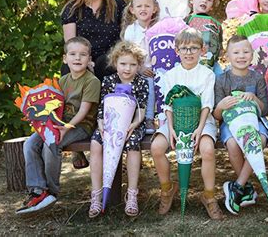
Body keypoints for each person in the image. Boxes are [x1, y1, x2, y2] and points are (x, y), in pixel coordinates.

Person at [17, 37, 101, 215]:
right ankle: (37, 189)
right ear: (65, 58)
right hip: (58, 124)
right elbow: (54, 107)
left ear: (89, 59)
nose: (77, 58)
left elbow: (84, 112)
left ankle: (52, 191)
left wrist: (66, 127)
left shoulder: (91, 81)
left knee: (51, 143)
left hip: (80, 126)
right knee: (30, 143)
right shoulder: (62, 81)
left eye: (82, 54)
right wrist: (42, 123)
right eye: (73, 54)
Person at [150, 28, 224, 220]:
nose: (189, 52)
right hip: (174, 121)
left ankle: (208, 195)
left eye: (193, 48)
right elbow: (168, 104)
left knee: (207, 150)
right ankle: (167, 189)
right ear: (177, 51)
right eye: (184, 48)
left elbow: (207, 103)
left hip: (202, 120)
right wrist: (172, 129)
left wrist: (200, 129)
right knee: (157, 147)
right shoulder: (170, 75)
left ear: (202, 50)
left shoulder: (207, 74)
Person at [61, 0, 126, 169]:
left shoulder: (117, 5)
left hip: (110, 59)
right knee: (66, 70)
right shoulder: (72, 8)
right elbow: (70, 44)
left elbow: (125, 37)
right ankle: (76, 143)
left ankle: (111, 129)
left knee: (103, 64)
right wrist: (82, 61)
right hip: (82, 56)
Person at [88, 41, 150, 218]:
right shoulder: (109, 80)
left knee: (132, 146)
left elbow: (142, 110)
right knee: (96, 144)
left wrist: (133, 125)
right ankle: (96, 195)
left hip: (132, 125)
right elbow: (102, 106)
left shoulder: (141, 83)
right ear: (115, 63)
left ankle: (131, 194)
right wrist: (100, 123)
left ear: (138, 66)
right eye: (123, 64)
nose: (127, 69)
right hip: (109, 123)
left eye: (132, 65)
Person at [213, 35, 268, 215]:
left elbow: (265, 109)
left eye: (246, 52)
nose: (241, 56)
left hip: (255, 120)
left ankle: (238, 186)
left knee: (258, 140)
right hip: (230, 123)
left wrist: (254, 100)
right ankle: (246, 187)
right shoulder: (222, 79)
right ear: (227, 55)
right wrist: (221, 106)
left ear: (252, 54)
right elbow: (216, 115)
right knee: (232, 143)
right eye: (236, 52)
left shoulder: (257, 78)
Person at [121, 0, 160, 134]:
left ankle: (163, 118)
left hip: (158, 69)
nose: (143, 9)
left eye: (147, 6)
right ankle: (147, 118)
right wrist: (140, 68)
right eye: (139, 6)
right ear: (132, 9)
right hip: (137, 70)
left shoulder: (159, 28)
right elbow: (128, 54)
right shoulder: (131, 30)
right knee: (148, 82)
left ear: (154, 9)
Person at [185, 0, 224, 75]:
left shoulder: (216, 25)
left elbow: (220, 49)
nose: (204, 1)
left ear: (212, 6)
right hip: (188, 62)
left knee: (221, 78)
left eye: (209, 0)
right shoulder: (184, 21)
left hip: (211, 64)